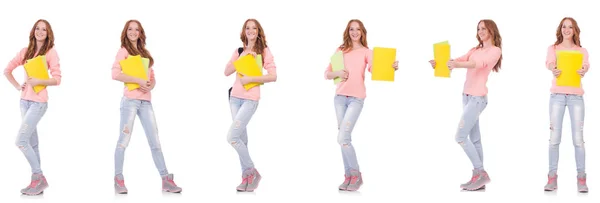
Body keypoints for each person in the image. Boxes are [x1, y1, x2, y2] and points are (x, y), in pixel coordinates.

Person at [324, 19, 398, 191]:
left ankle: (356, 175)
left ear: (363, 32)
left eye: (358, 29)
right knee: (344, 139)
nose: (354, 32)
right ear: (347, 31)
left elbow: (376, 69)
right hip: (340, 98)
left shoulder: (367, 52)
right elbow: (327, 73)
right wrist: (337, 72)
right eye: (351, 29)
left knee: (343, 137)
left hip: (356, 99)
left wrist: (391, 67)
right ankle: (348, 175)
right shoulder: (340, 50)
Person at [428, 19, 502, 191]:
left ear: (491, 30)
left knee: (460, 136)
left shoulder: (495, 50)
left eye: (484, 28)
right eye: (478, 28)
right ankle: (479, 180)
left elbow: (478, 64)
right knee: (475, 139)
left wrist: (457, 64)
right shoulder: (475, 49)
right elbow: (458, 60)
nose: (480, 31)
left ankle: (481, 173)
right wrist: (440, 63)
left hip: (478, 98)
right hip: (467, 97)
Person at [111, 19, 182, 194]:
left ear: (141, 33)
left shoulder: (145, 53)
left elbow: (152, 76)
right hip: (130, 102)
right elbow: (115, 74)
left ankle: (166, 180)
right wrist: (137, 80)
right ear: (125, 32)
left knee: (155, 142)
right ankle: (118, 179)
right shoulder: (123, 51)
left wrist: (151, 84)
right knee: (123, 142)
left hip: (146, 102)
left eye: (137, 29)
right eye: (130, 29)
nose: (133, 32)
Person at [4, 19, 62, 196]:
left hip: (38, 103)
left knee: (20, 141)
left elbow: (57, 79)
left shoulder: (51, 53)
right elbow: (7, 70)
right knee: (32, 143)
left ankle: (40, 177)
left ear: (48, 33)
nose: (40, 31)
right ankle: (36, 183)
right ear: (33, 31)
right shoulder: (26, 51)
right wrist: (17, 86)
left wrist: (39, 81)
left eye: (44, 29)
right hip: (24, 101)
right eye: (37, 28)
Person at [223, 19, 278, 192]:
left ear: (258, 31)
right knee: (241, 139)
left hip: (250, 99)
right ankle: (246, 177)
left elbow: (273, 76)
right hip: (234, 98)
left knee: (232, 137)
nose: (251, 30)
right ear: (244, 31)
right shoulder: (239, 50)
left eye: (254, 28)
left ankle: (252, 171)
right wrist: (243, 57)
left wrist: (252, 78)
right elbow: (226, 72)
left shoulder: (263, 51)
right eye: (248, 28)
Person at [543, 17, 589, 193]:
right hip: (557, 97)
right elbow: (549, 62)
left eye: (570, 27)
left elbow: (586, 65)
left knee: (578, 140)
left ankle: (581, 177)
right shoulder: (553, 48)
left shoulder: (582, 51)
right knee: (554, 139)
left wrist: (584, 69)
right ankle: (552, 177)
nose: (567, 29)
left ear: (575, 30)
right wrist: (553, 68)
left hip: (576, 98)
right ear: (560, 29)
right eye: (564, 26)